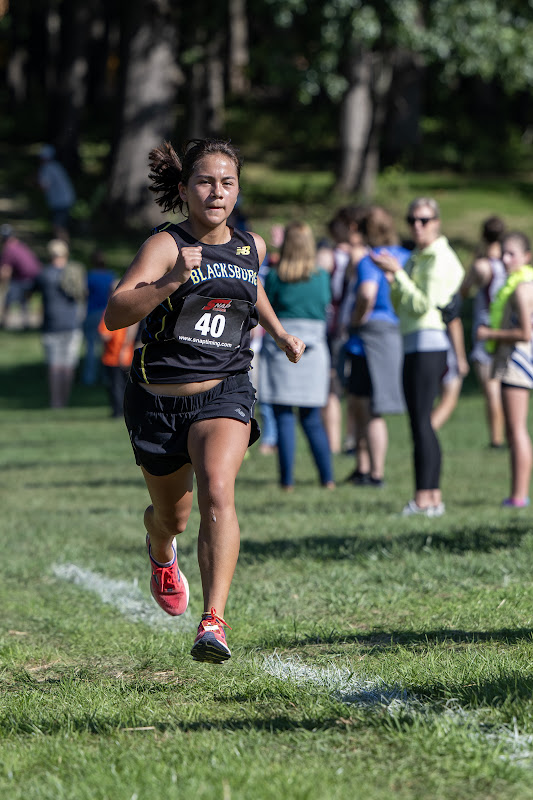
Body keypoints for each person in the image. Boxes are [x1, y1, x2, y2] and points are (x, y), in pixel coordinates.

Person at [104, 138, 305, 664]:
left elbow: (251, 285)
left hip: (225, 389)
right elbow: (117, 312)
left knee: (219, 489)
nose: (217, 192)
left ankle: (213, 622)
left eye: (228, 182)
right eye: (206, 182)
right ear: (184, 189)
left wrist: (280, 334)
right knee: (172, 516)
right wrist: (172, 280)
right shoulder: (166, 244)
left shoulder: (251, 243)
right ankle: (160, 548)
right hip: (158, 402)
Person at [372, 197, 464, 516]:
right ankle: (425, 495)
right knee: (417, 423)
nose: (417, 226)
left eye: (424, 220)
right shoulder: (417, 257)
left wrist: (399, 274)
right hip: (411, 341)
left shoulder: (440, 258)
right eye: (412, 220)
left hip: (430, 342)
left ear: (437, 222)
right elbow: (401, 307)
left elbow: (425, 306)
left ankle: (429, 498)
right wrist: (394, 278)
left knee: (423, 422)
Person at [259, 221, 334, 491]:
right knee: (312, 417)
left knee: (283, 415)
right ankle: (327, 479)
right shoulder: (322, 276)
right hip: (314, 352)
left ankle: (287, 482)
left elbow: (269, 307)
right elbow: (326, 305)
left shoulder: (277, 276)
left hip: (283, 350)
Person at [343, 206, 408, 487]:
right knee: (361, 404)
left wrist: (354, 322)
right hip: (396, 332)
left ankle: (374, 472)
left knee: (369, 407)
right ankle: (363, 466)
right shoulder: (405, 256)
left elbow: (367, 295)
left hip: (369, 337)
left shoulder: (371, 259)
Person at [477, 232, 533, 507]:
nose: (505, 258)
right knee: (514, 430)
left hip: (517, 362)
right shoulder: (520, 283)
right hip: (515, 361)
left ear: (527, 257)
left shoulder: (522, 288)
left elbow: (525, 332)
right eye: (504, 253)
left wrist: (490, 334)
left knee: (516, 429)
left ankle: (519, 496)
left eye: (512, 253)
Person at [322, 205, 369, 454]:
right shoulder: (365, 253)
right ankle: (348, 441)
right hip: (346, 327)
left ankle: (346, 441)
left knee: (342, 386)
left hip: (346, 327)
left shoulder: (354, 255)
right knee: (348, 389)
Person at [460, 215, 507, 447]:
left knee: (491, 388)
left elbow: (463, 290)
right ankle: (510, 434)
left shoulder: (482, 266)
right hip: (507, 330)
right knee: (507, 385)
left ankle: (496, 439)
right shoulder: (510, 263)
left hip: (485, 330)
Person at [34, 239, 86, 408]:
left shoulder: (44, 274)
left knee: (55, 366)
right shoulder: (74, 273)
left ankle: (56, 402)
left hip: (51, 325)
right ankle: (65, 400)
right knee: (68, 366)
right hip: (72, 324)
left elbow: (32, 289)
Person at [82, 250, 117, 385]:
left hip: (92, 312)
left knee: (91, 346)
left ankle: (89, 377)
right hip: (107, 313)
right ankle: (106, 376)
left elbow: (85, 294)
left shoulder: (90, 276)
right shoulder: (110, 276)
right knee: (106, 347)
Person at [0, 224, 42, 329]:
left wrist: (2, 284)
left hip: (25, 279)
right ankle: (26, 323)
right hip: (38, 276)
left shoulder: (8, 249)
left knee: (9, 298)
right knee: (24, 300)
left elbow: (5, 271)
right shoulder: (21, 245)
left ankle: (4, 323)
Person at [98, 311, 138, 418]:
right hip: (127, 355)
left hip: (113, 356)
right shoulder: (129, 311)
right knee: (126, 385)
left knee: (115, 385)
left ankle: (118, 411)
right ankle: (127, 410)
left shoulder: (110, 313)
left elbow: (104, 334)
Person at [37, 145, 76, 240]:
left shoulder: (47, 168)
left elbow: (44, 186)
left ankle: (62, 250)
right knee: (61, 226)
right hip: (67, 199)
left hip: (60, 201)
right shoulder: (56, 166)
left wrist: (34, 183)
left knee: (58, 227)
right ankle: (64, 249)